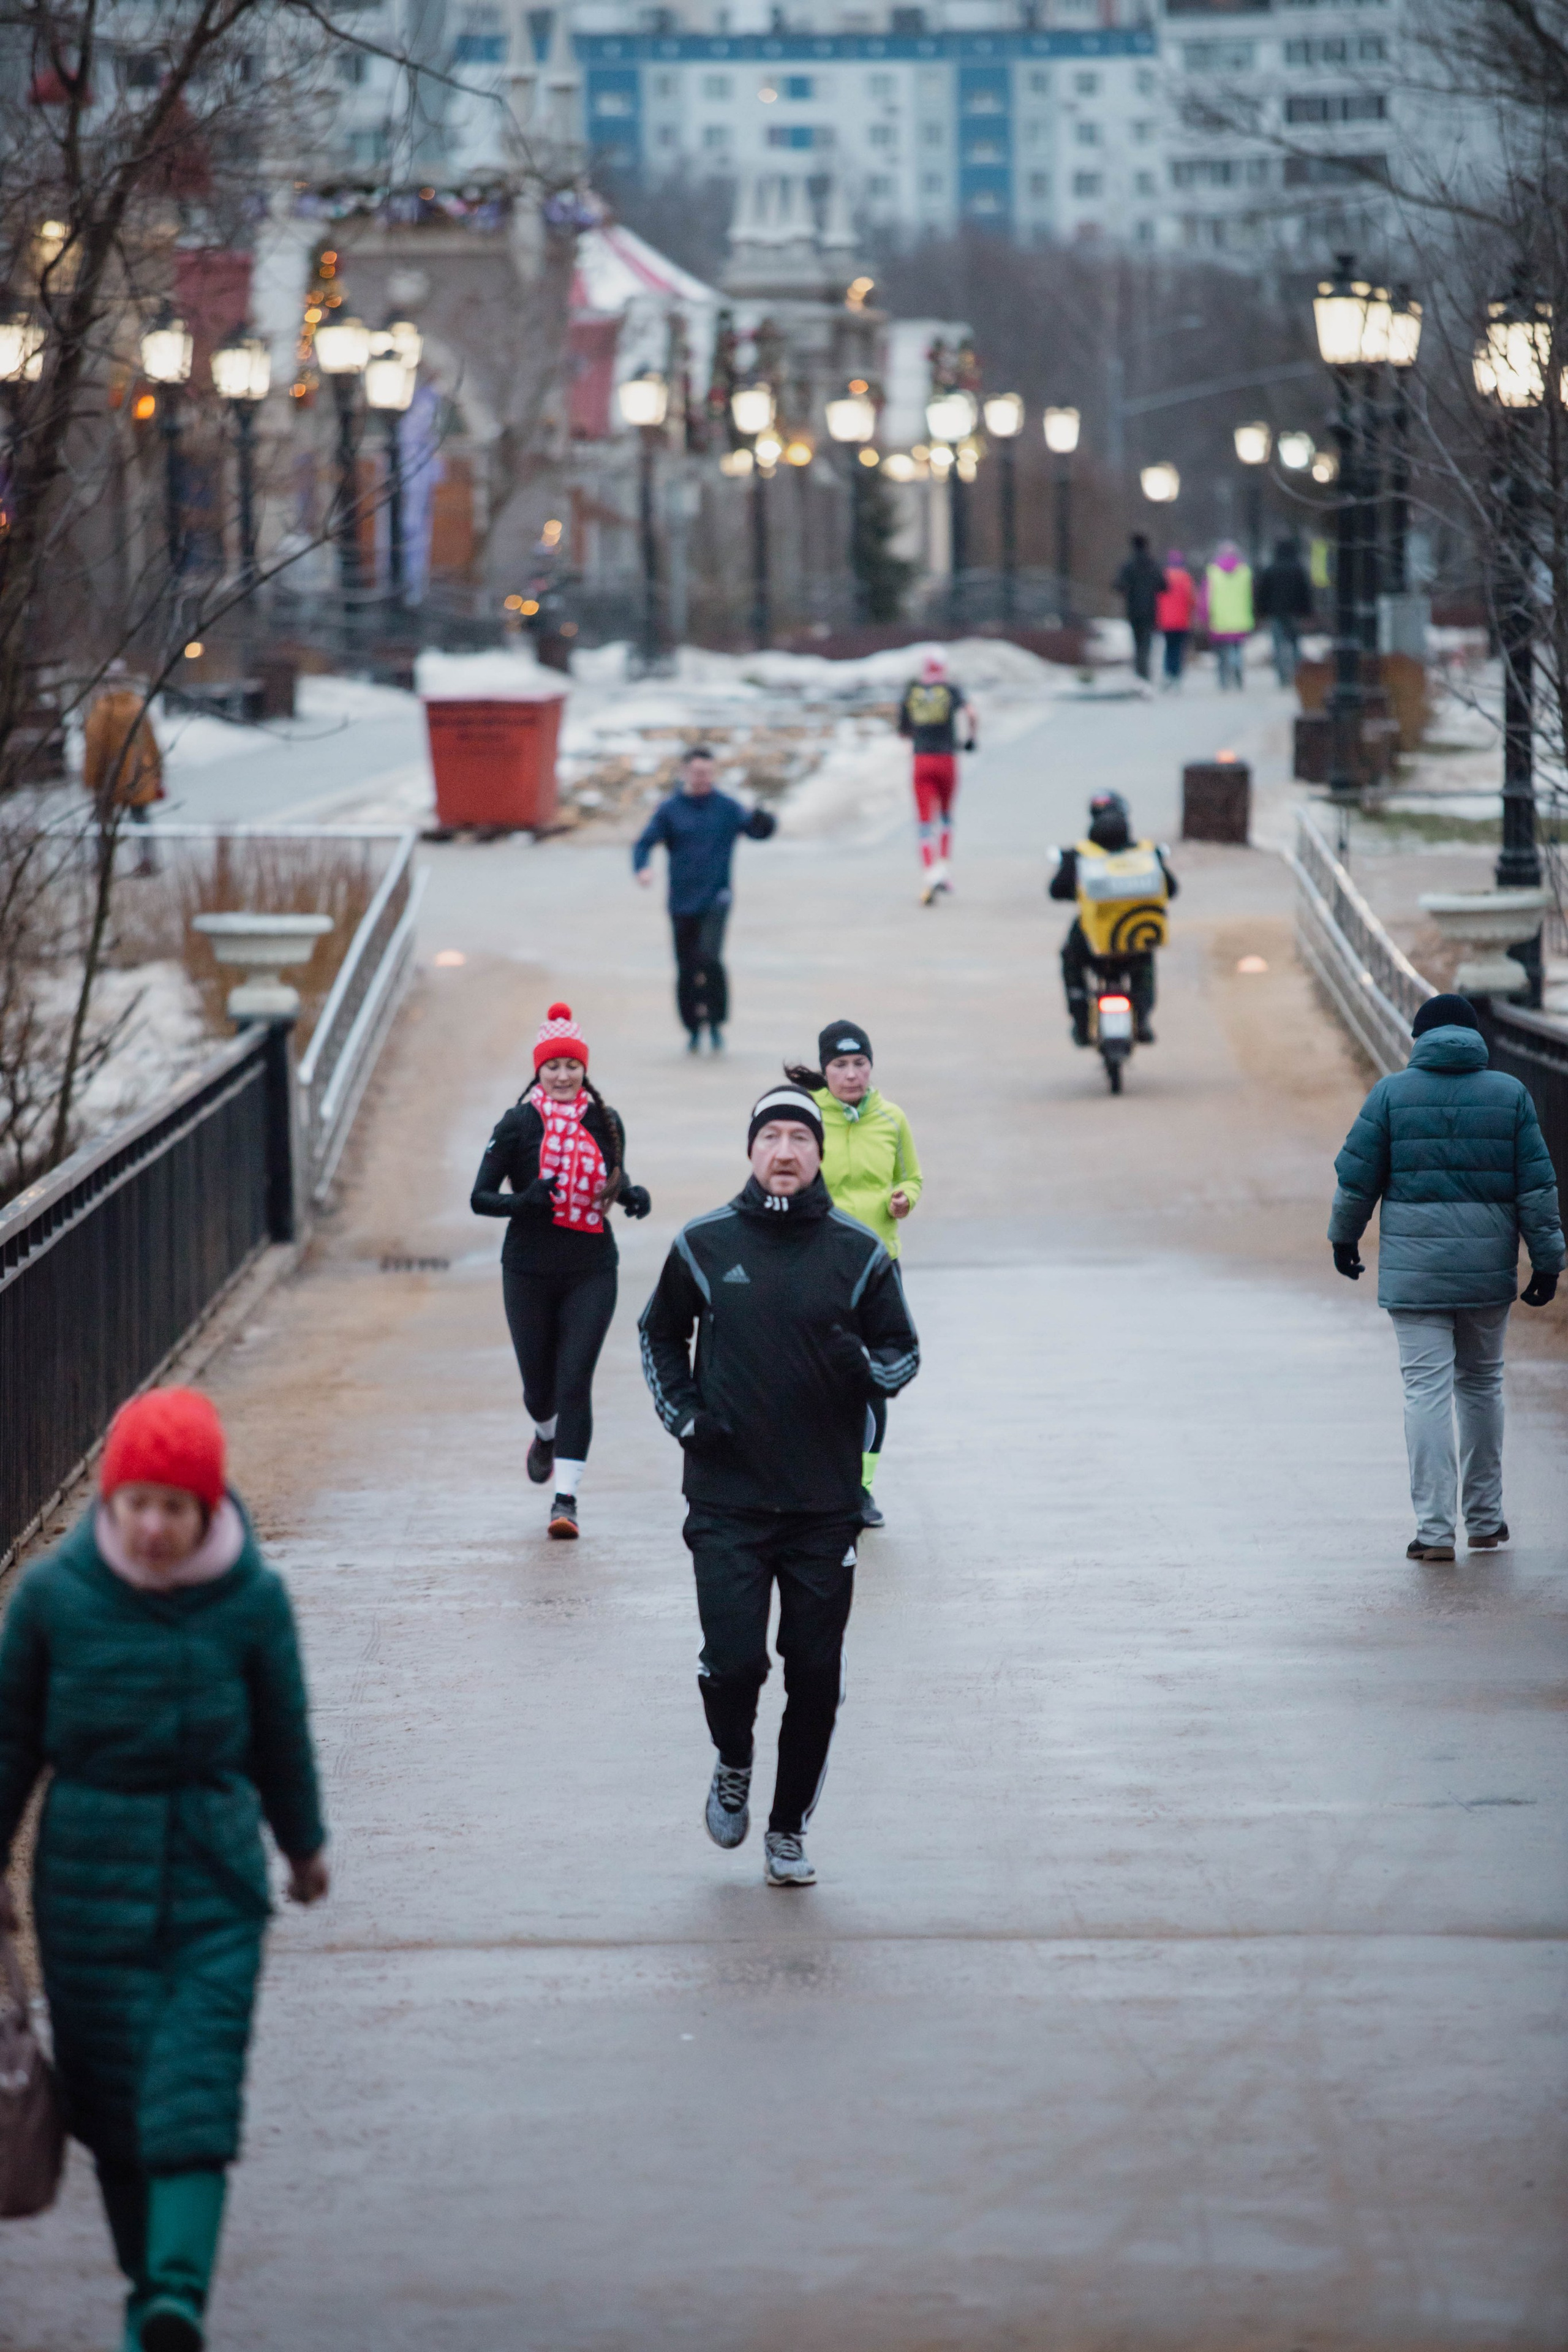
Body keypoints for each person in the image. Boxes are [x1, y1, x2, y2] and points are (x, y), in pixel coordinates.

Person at [0, 1388, 327, 2352]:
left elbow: (283, 1735)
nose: (152, 1527)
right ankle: (150, 2285)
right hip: (85, 1887)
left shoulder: (253, 1604)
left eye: (172, 1508)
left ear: (204, 1511)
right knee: (110, 2098)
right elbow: (10, 1743)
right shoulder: (54, 1601)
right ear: (110, 1501)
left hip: (213, 1879)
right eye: (136, 1503)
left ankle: (176, 2294)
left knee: (194, 2084)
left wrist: (301, 1846)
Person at [638, 1084, 920, 1887]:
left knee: (815, 1672)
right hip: (726, 1497)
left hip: (822, 1506)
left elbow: (902, 1352)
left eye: (801, 1136)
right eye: (773, 1137)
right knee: (733, 1665)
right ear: (752, 1151)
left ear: (819, 1154)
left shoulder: (856, 1252)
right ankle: (733, 1758)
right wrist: (684, 1414)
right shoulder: (704, 1243)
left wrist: (864, 1372)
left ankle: (788, 1828)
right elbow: (659, 1331)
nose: (787, 1151)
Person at [1328, 992, 1562, 1562]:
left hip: (1415, 1274)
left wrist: (1344, 1236)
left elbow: (1357, 1179)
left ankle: (1434, 1531)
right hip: (1486, 1272)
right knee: (1482, 1385)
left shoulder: (1391, 1094)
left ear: (1419, 1038)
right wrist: (1549, 1261)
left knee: (1424, 1391)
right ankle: (1484, 1520)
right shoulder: (1510, 1095)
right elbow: (1536, 1187)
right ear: (1475, 1038)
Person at [471, 1001, 650, 1539]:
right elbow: (480, 1197)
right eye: (553, 1066)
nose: (564, 1075)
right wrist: (523, 1201)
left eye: (572, 1065)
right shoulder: (517, 1123)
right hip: (527, 1268)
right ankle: (543, 1435)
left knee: (575, 1380)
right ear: (539, 1069)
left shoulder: (606, 1120)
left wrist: (632, 1195)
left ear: (583, 1068)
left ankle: (565, 1500)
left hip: (591, 1267)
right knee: (539, 1388)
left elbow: (611, 1180)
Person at [783, 1020, 924, 1531]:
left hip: (879, 1266)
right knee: (811, 1376)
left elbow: (912, 1174)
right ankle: (811, 1481)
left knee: (872, 1380)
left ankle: (861, 1488)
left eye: (859, 1063)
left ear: (871, 1066)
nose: (851, 1074)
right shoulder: (806, 1119)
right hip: (819, 1265)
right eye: (840, 1065)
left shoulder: (892, 1119)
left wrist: (906, 1197)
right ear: (824, 1070)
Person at [633, 745, 777, 1053]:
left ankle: (716, 1021)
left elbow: (757, 830)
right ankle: (693, 1027)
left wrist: (766, 819)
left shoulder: (726, 807)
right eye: (698, 773)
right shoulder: (670, 809)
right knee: (686, 967)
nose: (704, 779)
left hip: (717, 898)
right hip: (681, 901)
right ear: (685, 773)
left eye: (709, 773)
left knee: (710, 959)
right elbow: (644, 843)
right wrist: (642, 868)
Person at [1049, 790, 1178, 1047]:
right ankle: (1141, 1019)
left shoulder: (1081, 855)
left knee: (1070, 959)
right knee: (1145, 963)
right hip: (1135, 942)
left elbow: (1056, 891)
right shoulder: (1146, 852)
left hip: (1091, 943)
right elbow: (1171, 889)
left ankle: (1082, 1021)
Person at [896, 650, 976, 905]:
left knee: (923, 821)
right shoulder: (951, 690)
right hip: (947, 759)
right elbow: (972, 715)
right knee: (945, 816)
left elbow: (903, 732)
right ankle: (943, 870)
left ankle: (930, 872)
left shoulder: (913, 692)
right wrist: (971, 739)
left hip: (921, 761)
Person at [83, 660, 164, 875]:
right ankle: (147, 860)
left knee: (102, 820)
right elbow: (150, 740)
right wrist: (157, 770)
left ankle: (102, 862)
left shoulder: (102, 710)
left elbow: (95, 748)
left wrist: (92, 778)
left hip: (110, 775)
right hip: (138, 772)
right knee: (141, 819)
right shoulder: (137, 705)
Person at [1254, 536, 1315, 686]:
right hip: (1295, 613)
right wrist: (1308, 612)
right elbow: (1305, 593)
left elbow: (1263, 593)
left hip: (1276, 613)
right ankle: (1297, 674)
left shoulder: (1271, 569)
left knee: (1279, 645)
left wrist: (1261, 612)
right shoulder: (1298, 569)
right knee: (1295, 644)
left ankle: (1283, 677)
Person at [1112, 535, 1166, 685]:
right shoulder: (1152, 564)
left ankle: (1140, 671)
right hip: (1150, 608)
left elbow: (1118, 585)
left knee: (1137, 640)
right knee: (1147, 641)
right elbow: (1164, 585)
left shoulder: (1128, 565)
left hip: (1133, 608)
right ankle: (1145, 671)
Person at [1204, 541, 1254, 690]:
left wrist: (1205, 615)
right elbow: (1250, 595)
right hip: (1240, 617)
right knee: (1237, 649)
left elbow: (1207, 597)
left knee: (1221, 652)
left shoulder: (1213, 572)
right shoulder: (1245, 572)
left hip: (1220, 618)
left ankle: (1223, 679)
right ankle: (1237, 670)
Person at [1155, 549, 1196, 688]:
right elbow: (1192, 599)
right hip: (1182, 620)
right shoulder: (1186, 578)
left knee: (1168, 647)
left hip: (1166, 620)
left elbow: (1157, 598)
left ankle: (1168, 674)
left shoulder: (1163, 576)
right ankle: (1177, 675)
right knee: (1178, 649)